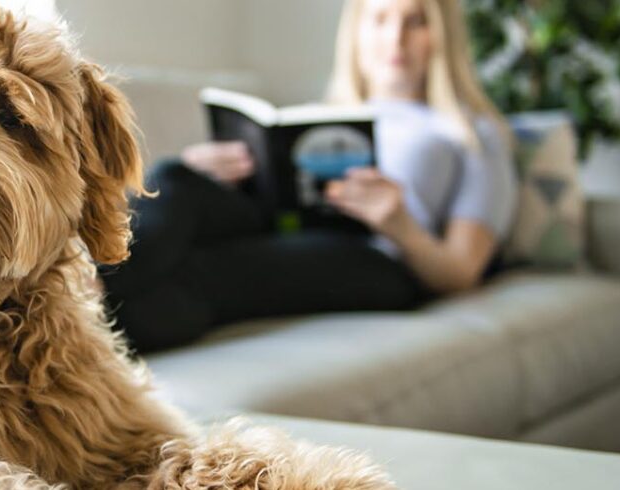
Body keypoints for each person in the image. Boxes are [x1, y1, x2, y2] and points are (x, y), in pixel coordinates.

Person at [101, 0, 517, 353]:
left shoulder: (472, 133)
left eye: (416, 22)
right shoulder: (326, 115)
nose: (395, 39)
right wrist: (218, 174)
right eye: (380, 20)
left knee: (207, 272)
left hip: (378, 256)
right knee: (176, 177)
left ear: (443, 36)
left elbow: (462, 271)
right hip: (283, 222)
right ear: (356, 34)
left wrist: (400, 225)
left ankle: (70, 317)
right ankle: (82, 282)